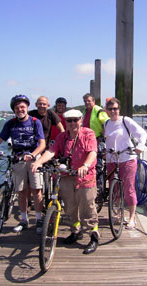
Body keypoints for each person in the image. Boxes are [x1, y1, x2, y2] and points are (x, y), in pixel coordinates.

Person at [31, 109, 100, 255]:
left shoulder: (88, 134)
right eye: (69, 121)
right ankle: (75, 231)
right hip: (67, 175)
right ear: (65, 122)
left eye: (76, 120)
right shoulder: (62, 136)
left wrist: (85, 166)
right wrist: (39, 162)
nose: (73, 123)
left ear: (81, 120)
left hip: (85, 176)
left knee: (87, 207)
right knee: (70, 206)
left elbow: (93, 152)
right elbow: (51, 151)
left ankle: (93, 236)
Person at [0, 94, 46, 234]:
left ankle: (38, 219)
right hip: (18, 159)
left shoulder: (35, 122)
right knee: (21, 191)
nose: (20, 109)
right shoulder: (10, 123)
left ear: (27, 108)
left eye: (22, 107)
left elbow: (42, 144)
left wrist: (32, 155)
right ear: (14, 109)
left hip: (33, 158)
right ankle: (24, 220)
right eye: (17, 107)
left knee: (36, 190)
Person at [104, 97, 147, 229]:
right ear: (107, 110)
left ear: (119, 109)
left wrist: (140, 146)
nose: (113, 111)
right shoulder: (106, 123)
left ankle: (132, 217)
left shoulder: (125, 120)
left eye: (115, 108)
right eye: (110, 109)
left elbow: (142, 133)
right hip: (111, 159)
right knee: (114, 188)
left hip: (127, 158)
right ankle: (117, 213)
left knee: (128, 188)